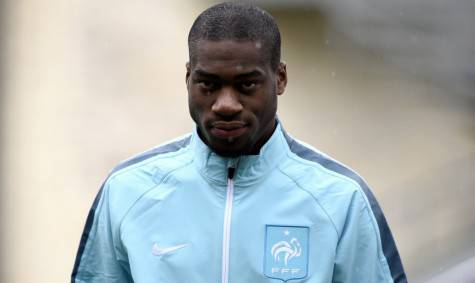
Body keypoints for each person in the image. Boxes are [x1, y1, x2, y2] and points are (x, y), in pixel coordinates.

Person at [71, 3, 407, 283]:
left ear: (280, 78)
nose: (226, 104)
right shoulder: (126, 192)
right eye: (208, 85)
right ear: (189, 78)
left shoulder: (340, 199)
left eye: (246, 85)